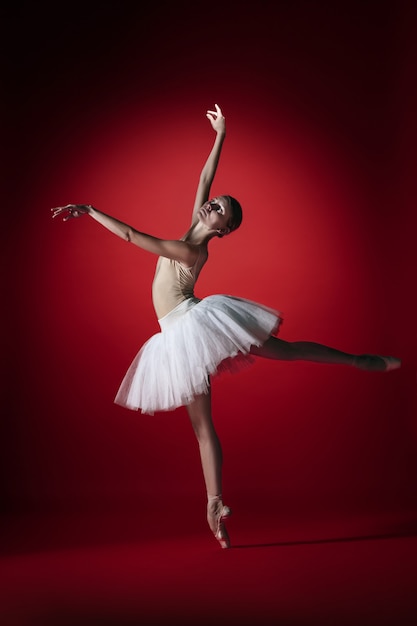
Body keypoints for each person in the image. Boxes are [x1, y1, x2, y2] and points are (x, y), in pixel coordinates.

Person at [52, 104, 401, 549]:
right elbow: (204, 179)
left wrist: (90, 208)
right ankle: (215, 505)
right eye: (215, 203)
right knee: (204, 427)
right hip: (177, 336)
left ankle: (357, 360)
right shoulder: (194, 226)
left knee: (284, 350)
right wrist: (222, 133)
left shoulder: (189, 250)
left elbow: (131, 237)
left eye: (221, 210)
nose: (213, 204)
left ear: (223, 229)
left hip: (194, 325)